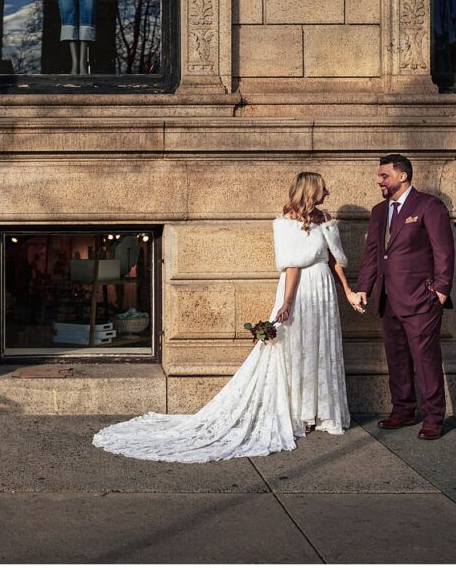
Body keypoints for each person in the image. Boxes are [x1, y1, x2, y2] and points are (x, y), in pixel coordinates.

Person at [93, 172, 354, 462]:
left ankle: (321, 410)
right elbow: (292, 266)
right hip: (301, 290)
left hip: (323, 290)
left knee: (320, 348)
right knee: (297, 349)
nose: (328, 191)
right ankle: (301, 412)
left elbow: (334, 260)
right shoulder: (287, 221)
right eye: (323, 188)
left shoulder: (326, 218)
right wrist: (287, 302)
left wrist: (349, 291)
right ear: (310, 190)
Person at [352, 154, 455, 440]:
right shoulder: (378, 211)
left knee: (426, 360)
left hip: (421, 299)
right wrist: (364, 288)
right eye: (379, 176)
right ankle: (403, 409)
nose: (379, 181)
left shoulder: (429, 206)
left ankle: (434, 417)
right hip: (387, 299)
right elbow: (373, 253)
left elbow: (444, 251)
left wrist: (441, 290)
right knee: (396, 359)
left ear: (402, 176)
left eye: (384, 176)